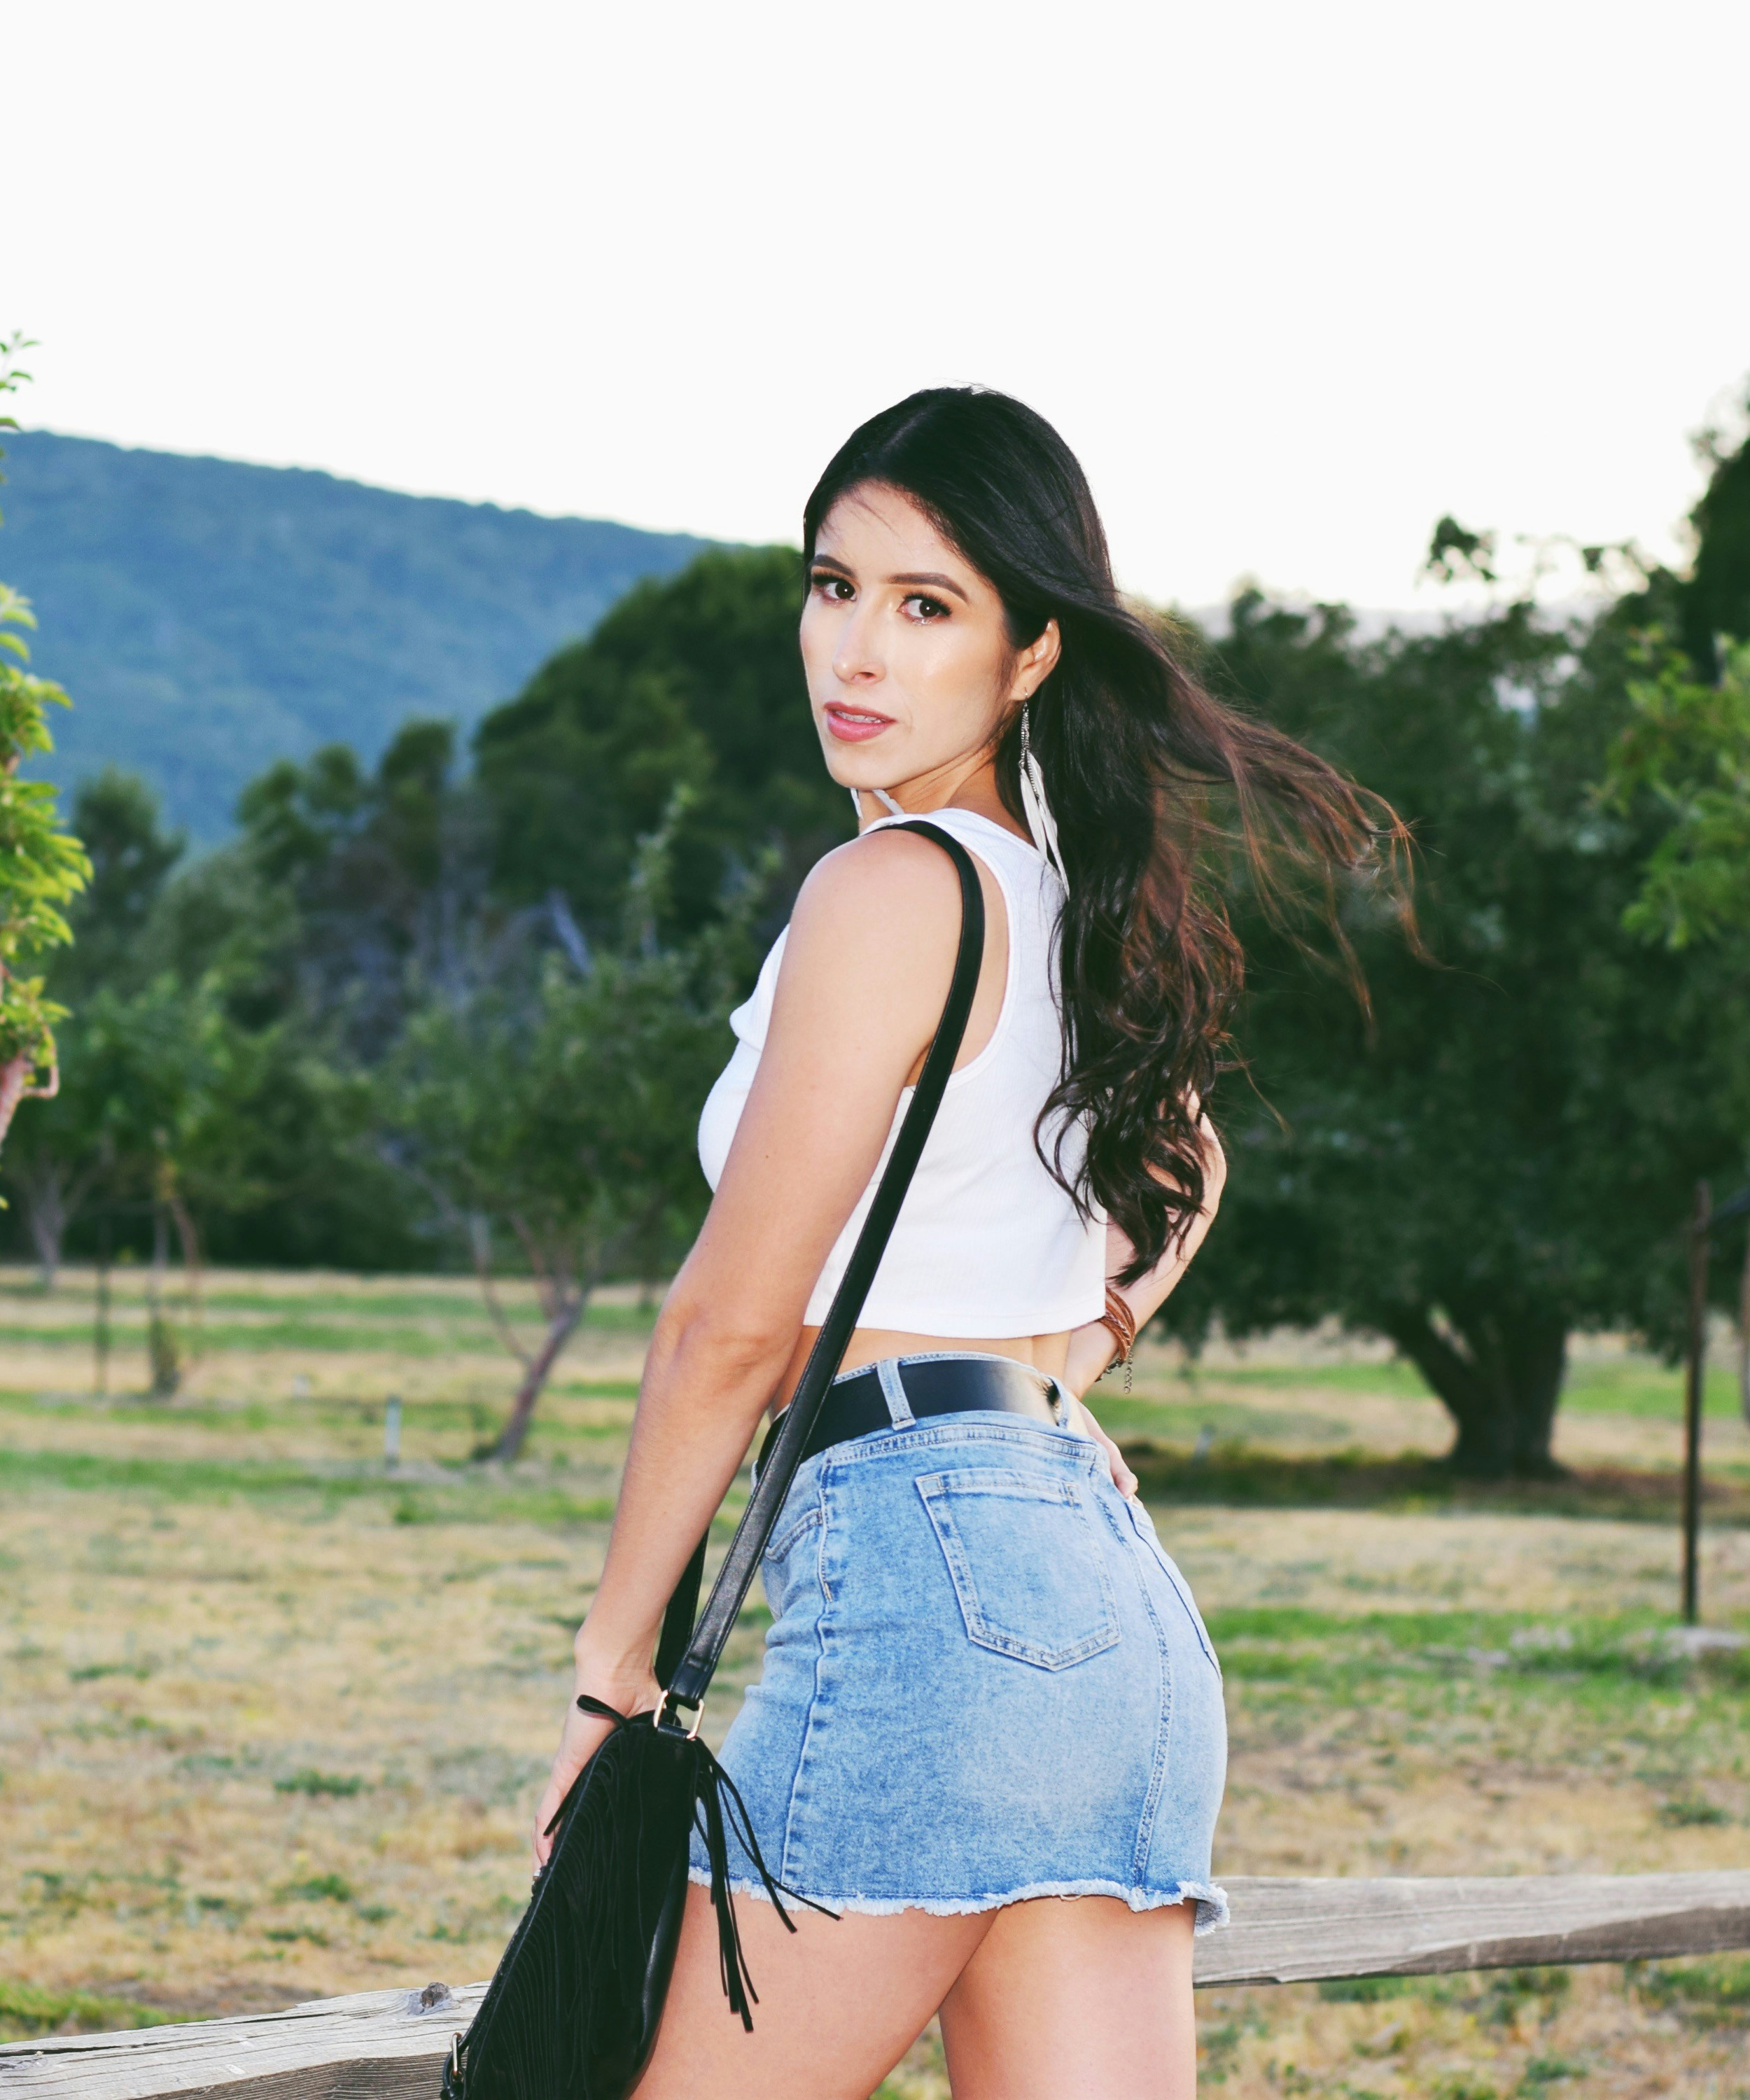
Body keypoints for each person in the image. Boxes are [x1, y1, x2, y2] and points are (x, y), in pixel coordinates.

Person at [536, 387, 1391, 2099]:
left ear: (1027, 657)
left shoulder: (891, 891)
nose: (854, 648)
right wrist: (1063, 1369)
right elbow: (1191, 1166)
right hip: (1106, 1614)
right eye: (832, 585)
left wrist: (608, 1667)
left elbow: (728, 1321)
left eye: (925, 607)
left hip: (931, 1603)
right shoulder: (1064, 897)